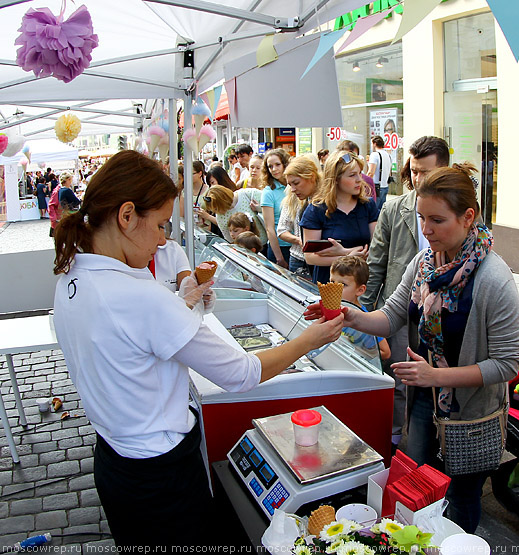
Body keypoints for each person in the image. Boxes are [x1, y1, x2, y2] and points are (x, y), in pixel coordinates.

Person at [51, 150, 343, 546]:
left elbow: (128, 341)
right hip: (161, 475)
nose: (161, 239)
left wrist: (182, 301)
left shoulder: (72, 275)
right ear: (125, 216)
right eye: (158, 225)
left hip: (114, 463)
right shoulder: (137, 295)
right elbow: (241, 373)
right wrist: (309, 340)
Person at [306, 166, 519, 533]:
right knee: (417, 490)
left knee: (461, 500)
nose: (426, 229)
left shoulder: (494, 279)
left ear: (468, 217)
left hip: (470, 415)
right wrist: (350, 316)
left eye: (437, 220)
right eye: (422, 217)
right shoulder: (424, 264)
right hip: (423, 400)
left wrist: (434, 375)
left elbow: (507, 364)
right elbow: (391, 316)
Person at [362, 135, 451, 449]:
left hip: (445, 310)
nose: (417, 178)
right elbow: (376, 262)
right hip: (401, 307)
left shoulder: (458, 208)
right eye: (413, 171)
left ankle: (437, 439)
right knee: (400, 377)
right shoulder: (395, 207)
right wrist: (361, 308)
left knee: (439, 377)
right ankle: (399, 442)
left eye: (425, 172)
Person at [299, 149, 378, 284]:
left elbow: (376, 248)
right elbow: (310, 257)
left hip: (361, 282)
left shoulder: (367, 205)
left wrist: (344, 252)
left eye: (360, 173)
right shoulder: (316, 209)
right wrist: (347, 255)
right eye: (352, 175)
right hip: (330, 282)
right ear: (335, 179)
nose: (359, 180)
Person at [330, 255, 391, 360]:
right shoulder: (332, 310)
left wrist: (354, 351)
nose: (334, 288)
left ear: (360, 290)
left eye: (343, 285)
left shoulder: (364, 317)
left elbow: (385, 352)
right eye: (332, 282)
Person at [278, 155, 322, 274]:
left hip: (322, 261)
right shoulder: (294, 199)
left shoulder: (325, 201)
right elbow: (281, 230)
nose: (292, 189)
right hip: (298, 258)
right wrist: (299, 240)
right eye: (290, 184)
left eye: (296, 183)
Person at [197, 180, 266, 245]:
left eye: (216, 208)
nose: (216, 212)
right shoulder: (220, 217)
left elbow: (273, 208)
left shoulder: (248, 194)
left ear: (223, 200)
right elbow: (230, 240)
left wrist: (260, 209)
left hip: (269, 242)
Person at [259, 149, 293, 267]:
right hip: (279, 247)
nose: (274, 169)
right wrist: (279, 258)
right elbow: (269, 228)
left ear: (285, 164)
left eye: (277, 164)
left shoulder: (294, 185)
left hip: (297, 245)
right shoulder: (268, 192)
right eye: (270, 166)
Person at [367, 136, 393, 210]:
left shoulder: (375, 155)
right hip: (385, 186)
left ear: (375, 143)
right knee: (381, 211)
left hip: (376, 187)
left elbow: (371, 173)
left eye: (372, 143)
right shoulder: (388, 155)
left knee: (373, 211)